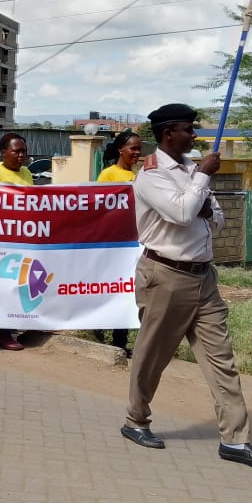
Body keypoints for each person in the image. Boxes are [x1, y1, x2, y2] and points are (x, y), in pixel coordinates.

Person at [120, 103, 252, 465]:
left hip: (204, 278)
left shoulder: (191, 170)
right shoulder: (151, 174)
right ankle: (135, 420)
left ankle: (234, 439)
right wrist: (202, 179)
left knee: (221, 359)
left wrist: (202, 193)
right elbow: (182, 213)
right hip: (165, 276)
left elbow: (215, 218)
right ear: (168, 133)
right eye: (188, 130)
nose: (194, 136)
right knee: (153, 355)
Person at [0, 132, 36, 352]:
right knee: (4, 287)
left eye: (23, 151)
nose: (21, 155)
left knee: (20, 285)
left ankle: (18, 327)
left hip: (22, 240)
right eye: (16, 151)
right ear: (3, 152)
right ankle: (4, 334)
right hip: (0, 242)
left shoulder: (26, 173)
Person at [93, 130, 143, 356]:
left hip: (134, 243)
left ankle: (120, 340)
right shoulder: (108, 175)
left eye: (139, 149)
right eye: (133, 148)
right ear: (120, 150)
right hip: (113, 243)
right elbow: (99, 207)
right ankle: (97, 331)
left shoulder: (139, 176)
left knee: (127, 292)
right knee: (109, 289)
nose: (137, 153)